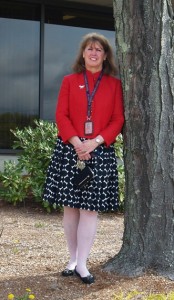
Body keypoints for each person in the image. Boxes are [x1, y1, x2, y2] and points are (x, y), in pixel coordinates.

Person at [43, 32, 124, 284]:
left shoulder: (114, 85)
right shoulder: (69, 81)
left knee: (89, 211)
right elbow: (61, 115)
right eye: (89, 49)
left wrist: (95, 141)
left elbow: (118, 119)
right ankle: (72, 258)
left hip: (99, 152)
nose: (93, 53)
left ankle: (83, 263)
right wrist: (78, 142)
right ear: (83, 54)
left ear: (105, 55)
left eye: (99, 49)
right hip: (70, 150)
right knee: (70, 208)